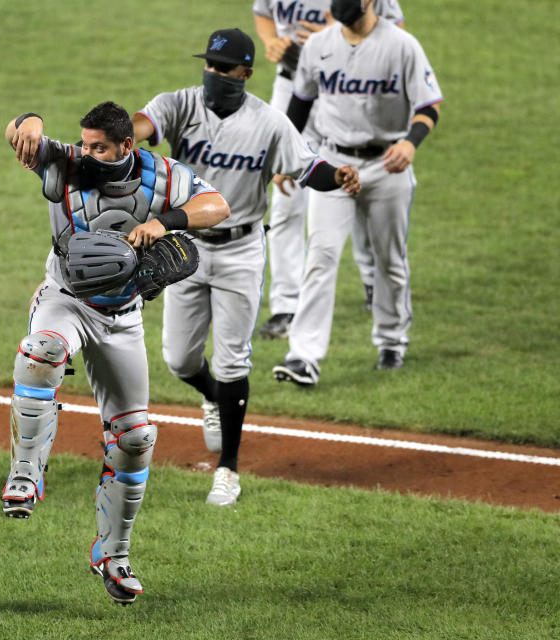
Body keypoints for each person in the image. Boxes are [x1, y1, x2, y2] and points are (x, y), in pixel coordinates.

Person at [1, 101, 230, 604]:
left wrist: (166, 221)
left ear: (127, 145)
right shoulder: (62, 164)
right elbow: (18, 131)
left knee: (136, 438)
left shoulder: (163, 176)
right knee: (41, 351)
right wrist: (30, 122)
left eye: (99, 147)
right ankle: (26, 472)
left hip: (123, 316)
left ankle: (113, 553)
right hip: (65, 299)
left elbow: (218, 206)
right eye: (85, 143)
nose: (88, 153)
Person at [132, 29, 360, 505]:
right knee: (178, 358)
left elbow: (306, 167)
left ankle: (228, 470)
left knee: (234, 358)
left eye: (224, 68)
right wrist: (126, 135)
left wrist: (336, 176)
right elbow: (145, 123)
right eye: (210, 65)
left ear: (245, 74)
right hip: (186, 247)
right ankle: (214, 396)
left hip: (240, 251)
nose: (214, 74)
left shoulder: (269, 122)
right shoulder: (180, 104)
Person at [272, 0, 442, 386]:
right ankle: (303, 356)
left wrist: (411, 143)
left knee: (389, 260)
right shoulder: (318, 46)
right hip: (334, 164)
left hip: (387, 165)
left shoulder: (401, 45)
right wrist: (288, 158)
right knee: (322, 254)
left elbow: (429, 105)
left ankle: (391, 340)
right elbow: (300, 104)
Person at [252, 0, 406, 339]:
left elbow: (397, 32)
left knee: (360, 183)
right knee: (285, 197)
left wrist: (341, 36)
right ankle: (286, 306)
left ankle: (372, 281)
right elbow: (263, 13)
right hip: (291, 86)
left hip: (350, 87)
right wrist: (270, 42)